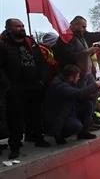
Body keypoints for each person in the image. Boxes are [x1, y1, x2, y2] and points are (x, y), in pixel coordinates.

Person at [53, 14, 100, 135]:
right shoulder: (65, 38)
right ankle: (83, 127)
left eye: (85, 27)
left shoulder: (84, 35)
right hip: (76, 76)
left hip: (88, 73)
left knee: (93, 96)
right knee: (83, 99)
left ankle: (89, 120)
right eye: (82, 26)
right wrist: (87, 51)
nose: (84, 29)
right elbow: (67, 56)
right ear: (73, 25)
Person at [0, 18, 50, 159]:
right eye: (18, 26)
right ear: (9, 28)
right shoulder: (3, 44)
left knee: (36, 114)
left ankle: (38, 138)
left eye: (22, 26)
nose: (22, 28)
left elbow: (41, 62)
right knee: (16, 118)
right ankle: (14, 146)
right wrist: (7, 84)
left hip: (34, 85)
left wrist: (41, 80)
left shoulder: (31, 43)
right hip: (15, 87)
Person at [43, 65, 100, 144]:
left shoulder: (67, 81)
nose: (79, 78)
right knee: (76, 126)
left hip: (68, 111)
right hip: (58, 117)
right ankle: (58, 134)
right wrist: (95, 85)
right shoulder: (60, 86)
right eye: (77, 76)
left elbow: (80, 92)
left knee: (88, 104)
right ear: (71, 77)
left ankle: (83, 133)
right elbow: (78, 93)